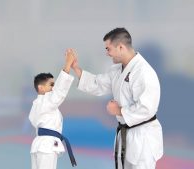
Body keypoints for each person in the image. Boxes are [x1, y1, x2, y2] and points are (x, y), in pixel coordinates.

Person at [68, 27, 163, 169]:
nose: (107, 53)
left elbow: (147, 108)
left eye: (108, 49)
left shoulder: (143, 72)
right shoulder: (118, 69)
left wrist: (119, 110)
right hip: (126, 135)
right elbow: (98, 84)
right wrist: (76, 68)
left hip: (143, 138)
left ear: (120, 47)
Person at [29, 53, 77, 169]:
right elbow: (59, 92)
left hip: (40, 145)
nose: (54, 87)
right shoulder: (45, 102)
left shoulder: (37, 105)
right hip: (46, 146)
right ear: (41, 88)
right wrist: (68, 64)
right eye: (51, 84)